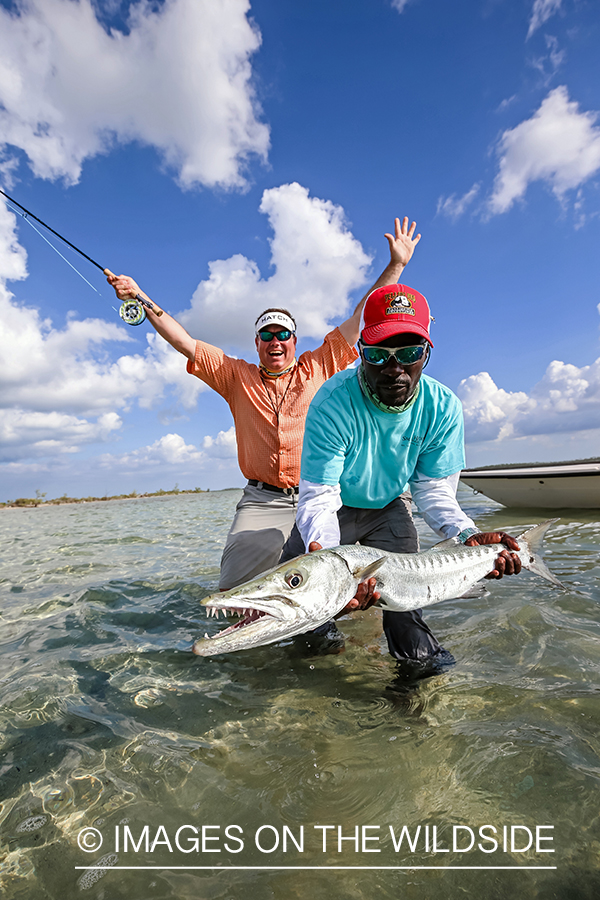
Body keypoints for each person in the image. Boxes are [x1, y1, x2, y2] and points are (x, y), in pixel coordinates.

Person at [107, 217, 422, 590]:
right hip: (263, 500)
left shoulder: (318, 364)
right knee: (234, 593)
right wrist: (140, 297)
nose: (276, 341)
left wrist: (397, 264)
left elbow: (361, 319)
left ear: (293, 339)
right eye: (267, 335)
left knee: (350, 590)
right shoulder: (234, 375)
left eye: (283, 334)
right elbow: (184, 342)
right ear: (257, 343)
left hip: (323, 494)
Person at [279, 282, 522, 666]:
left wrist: (468, 536)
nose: (395, 369)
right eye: (378, 354)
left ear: (426, 353)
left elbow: (432, 492)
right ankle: (324, 648)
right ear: (360, 352)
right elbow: (320, 498)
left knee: (406, 614)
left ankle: (418, 695)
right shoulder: (331, 402)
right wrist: (331, 566)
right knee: (302, 607)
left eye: (409, 353)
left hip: (389, 507)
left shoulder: (442, 407)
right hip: (334, 509)